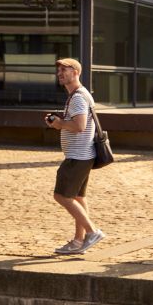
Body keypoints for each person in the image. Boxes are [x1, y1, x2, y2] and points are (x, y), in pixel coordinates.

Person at [45, 58, 106, 255]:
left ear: (76, 72)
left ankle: (92, 232)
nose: (60, 73)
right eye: (59, 70)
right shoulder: (78, 95)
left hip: (77, 157)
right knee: (78, 197)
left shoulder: (78, 97)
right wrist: (59, 122)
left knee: (61, 195)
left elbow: (79, 127)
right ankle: (78, 241)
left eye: (65, 69)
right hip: (84, 155)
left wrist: (60, 124)